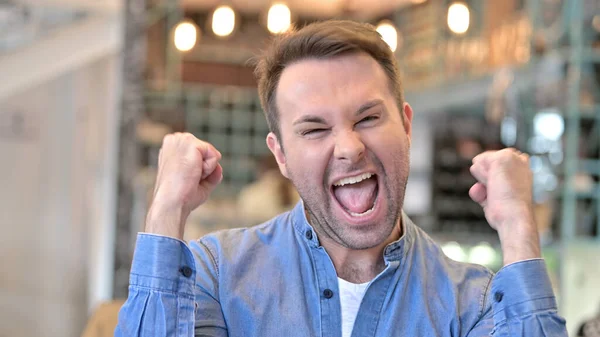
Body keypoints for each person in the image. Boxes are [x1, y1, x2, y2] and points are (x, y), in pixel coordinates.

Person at [115, 20, 567, 336]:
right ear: (282, 156)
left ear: (406, 126)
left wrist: (520, 233)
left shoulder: (472, 304)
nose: (349, 147)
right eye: (314, 129)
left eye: (368, 117)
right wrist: (165, 211)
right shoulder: (218, 275)